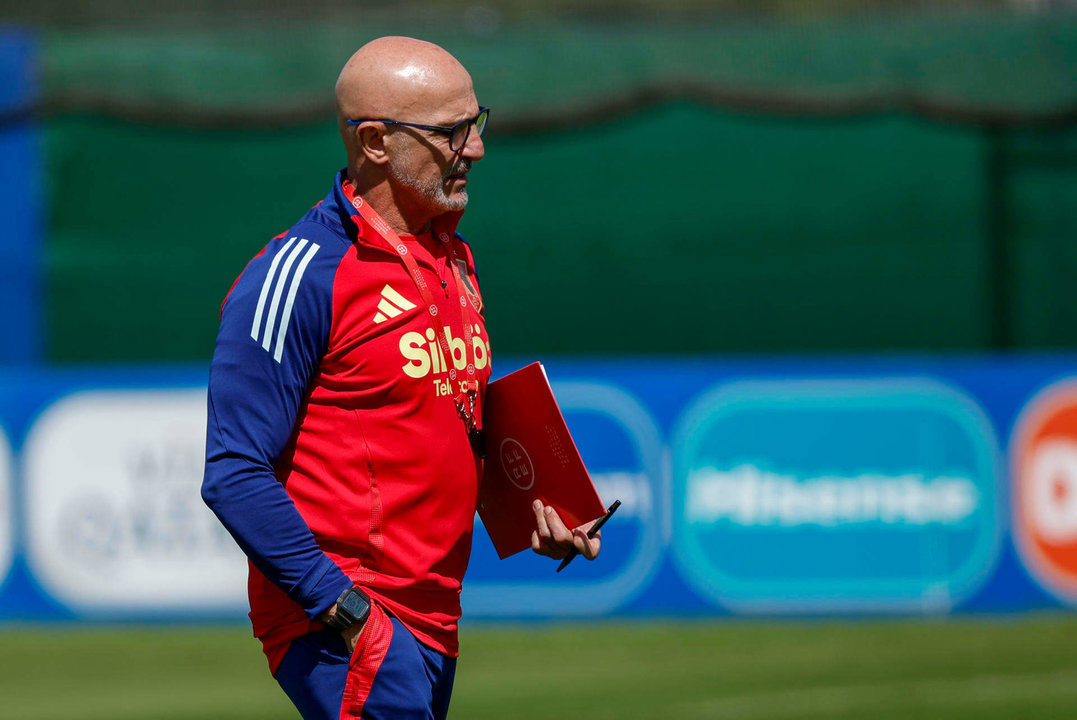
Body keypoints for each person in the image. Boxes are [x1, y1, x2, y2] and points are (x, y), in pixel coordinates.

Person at [201, 36, 601, 720]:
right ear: (376, 141)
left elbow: (445, 422)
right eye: (450, 132)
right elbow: (233, 472)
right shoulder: (297, 274)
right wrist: (347, 610)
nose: (473, 148)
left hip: (434, 614)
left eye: (475, 124)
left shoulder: (452, 256)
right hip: (350, 619)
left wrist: (537, 510)